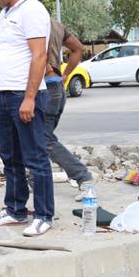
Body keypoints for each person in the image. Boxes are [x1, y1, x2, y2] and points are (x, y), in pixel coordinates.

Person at [0, 0, 55, 237]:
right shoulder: (5, 13)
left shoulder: (32, 10)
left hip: (26, 96)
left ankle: (44, 215)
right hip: (6, 96)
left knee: (35, 158)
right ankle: (15, 209)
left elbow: (39, 56)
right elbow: (8, 55)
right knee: (10, 157)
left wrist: (30, 98)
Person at [40, 20, 94, 202]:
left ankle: (83, 177)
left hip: (44, 88)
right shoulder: (56, 25)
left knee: (44, 139)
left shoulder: (33, 23)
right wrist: (65, 74)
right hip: (56, 87)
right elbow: (78, 48)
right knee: (37, 138)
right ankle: (34, 180)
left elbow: (36, 58)